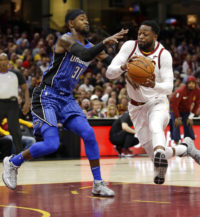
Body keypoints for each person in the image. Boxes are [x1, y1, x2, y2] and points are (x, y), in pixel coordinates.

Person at [2, 9, 128, 197]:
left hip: (67, 97)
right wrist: (104, 42)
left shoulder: (91, 46)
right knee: (52, 145)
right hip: (46, 95)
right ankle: (13, 162)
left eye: (87, 18)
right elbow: (84, 55)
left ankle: (98, 183)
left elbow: (111, 63)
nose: (86, 21)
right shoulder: (65, 40)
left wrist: (127, 65)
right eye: (81, 19)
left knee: (88, 133)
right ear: (70, 24)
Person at [106, 20, 200, 185]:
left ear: (155, 36)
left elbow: (168, 87)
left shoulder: (163, 54)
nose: (141, 36)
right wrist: (124, 67)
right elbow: (110, 73)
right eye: (139, 33)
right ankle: (185, 148)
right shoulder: (130, 47)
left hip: (157, 101)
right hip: (135, 106)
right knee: (153, 155)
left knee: (155, 126)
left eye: (145, 34)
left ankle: (160, 152)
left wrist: (153, 85)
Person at [0, 53, 30, 154]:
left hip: (12, 104)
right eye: (1, 60)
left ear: (8, 61)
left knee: (15, 130)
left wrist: (27, 102)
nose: (3, 62)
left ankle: (19, 155)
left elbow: (25, 89)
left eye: (4, 60)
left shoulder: (15, 74)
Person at [169, 75, 200, 144]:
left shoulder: (198, 91)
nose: (191, 85)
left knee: (188, 125)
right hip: (175, 110)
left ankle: (189, 144)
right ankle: (176, 144)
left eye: (193, 83)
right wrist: (177, 117)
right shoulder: (181, 91)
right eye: (189, 83)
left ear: (195, 84)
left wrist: (191, 117)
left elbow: (197, 104)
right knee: (176, 125)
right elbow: (174, 104)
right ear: (187, 84)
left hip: (186, 111)